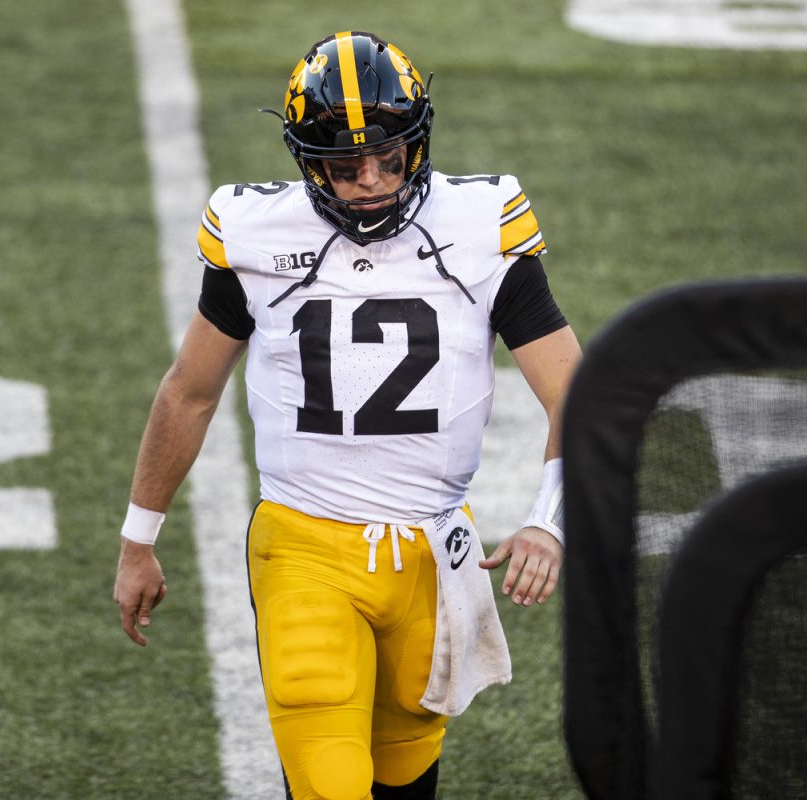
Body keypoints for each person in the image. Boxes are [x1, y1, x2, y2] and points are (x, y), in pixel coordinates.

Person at [113, 30, 581, 800]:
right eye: (342, 164)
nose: (368, 180)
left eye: (389, 158)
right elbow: (189, 392)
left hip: (434, 553)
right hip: (305, 548)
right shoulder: (255, 233)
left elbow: (577, 392)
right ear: (306, 162)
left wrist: (550, 520)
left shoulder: (481, 224)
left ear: (418, 146)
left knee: (406, 780)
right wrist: (138, 539)